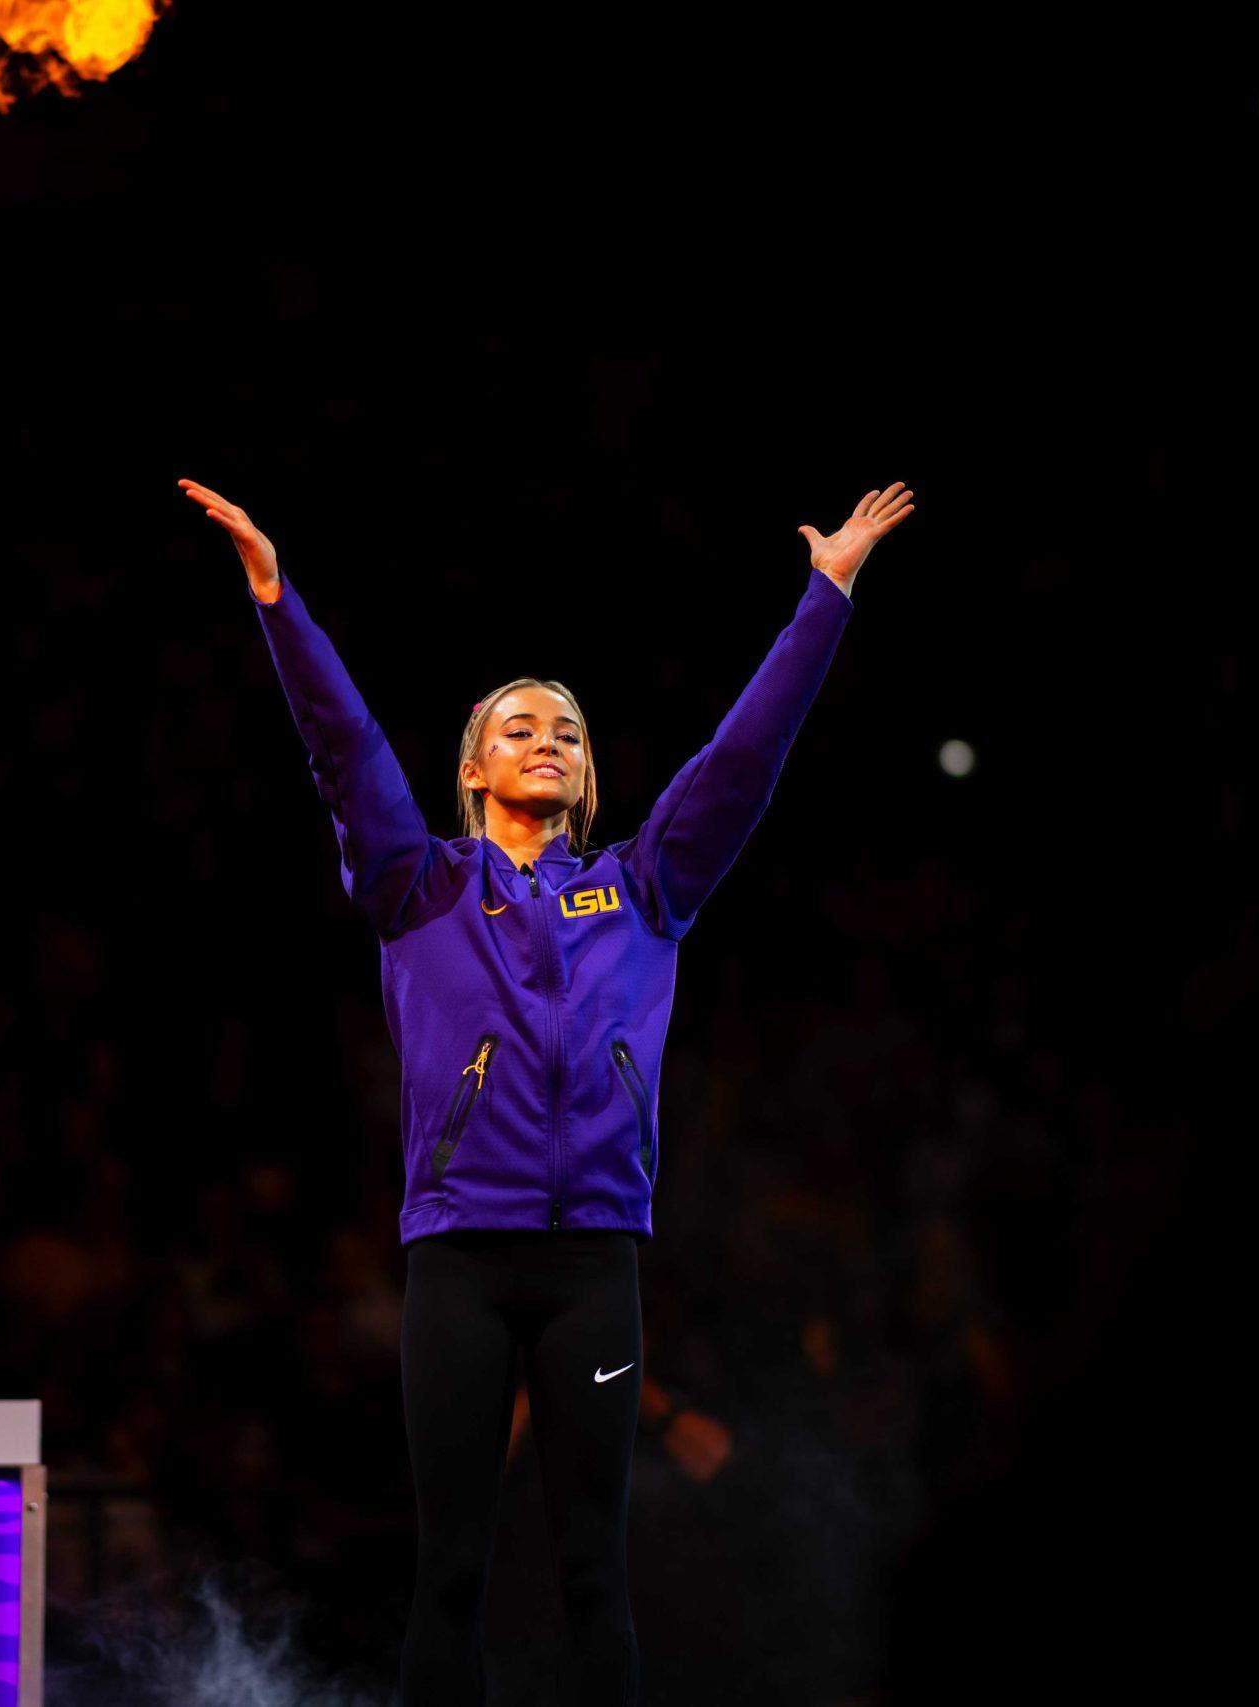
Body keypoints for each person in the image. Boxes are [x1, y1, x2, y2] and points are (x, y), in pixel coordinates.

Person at [179, 474, 914, 1705]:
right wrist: (275, 597)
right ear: (472, 769)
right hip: (459, 1265)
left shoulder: (644, 889)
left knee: (592, 1574)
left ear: (585, 780)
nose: (547, 741)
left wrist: (824, 593)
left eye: (567, 732)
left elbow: (743, 757)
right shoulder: (417, 888)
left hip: (594, 1277)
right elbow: (343, 744)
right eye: (519, 727)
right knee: (451, 1576)